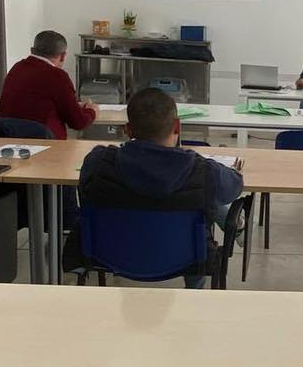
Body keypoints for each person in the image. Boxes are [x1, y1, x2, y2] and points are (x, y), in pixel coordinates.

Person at [76, 87, 243, 289]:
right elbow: (234, 187)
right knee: (203, 206)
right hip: (186, 259)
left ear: (127, 130)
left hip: (110, 255)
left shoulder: (97, 163)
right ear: (177, 126)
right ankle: (194, 293)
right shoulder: (203, 171)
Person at [0, 30, 98, 140]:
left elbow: (35, 102)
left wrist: (74, 105)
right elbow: (78, 122)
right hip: (45, 143)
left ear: (32, 50)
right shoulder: (58, 76)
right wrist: (92, 111)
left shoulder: (17, 68)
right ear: (63, 56)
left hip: (10, 140)